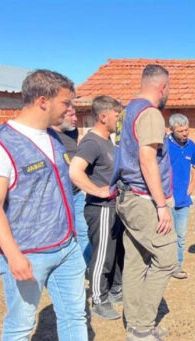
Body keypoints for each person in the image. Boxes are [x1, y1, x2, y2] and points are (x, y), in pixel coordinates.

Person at [0, 69, 125, 341]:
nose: (70, 108)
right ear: (42, 100)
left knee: (75, 314)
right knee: (21, 322)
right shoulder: (0, 145)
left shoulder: (56, 139)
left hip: (66, 249)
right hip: (27, 255)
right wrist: (13, 254)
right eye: (65, 101)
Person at [110, 64, 177, 341]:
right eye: (169, 89)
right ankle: (143, 328)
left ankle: (135, 323)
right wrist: (161, 204)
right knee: (166, 258)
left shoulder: (129, 110)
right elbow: (148, 159)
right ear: (162, 87)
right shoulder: (150, 114)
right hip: (144, 199)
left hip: (128, 196)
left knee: (137, 260)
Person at [69, 95, 124, 320]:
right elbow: (75, 171)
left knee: (116, 251)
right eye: (116, 115)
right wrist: (97, 190)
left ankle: (114, 291)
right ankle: (99, 300)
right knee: (103, 253)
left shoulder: (108, 140)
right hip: (100, 208)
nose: (118, 119)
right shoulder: (92, 142)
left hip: (115, 206)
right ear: (103, 116)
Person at [52, 106, 91, 264]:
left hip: (75, 194)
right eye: (71, 115)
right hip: (58, 198)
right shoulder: (49, 137)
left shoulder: (70, 135)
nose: (75, 119)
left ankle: (88, 266)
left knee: (84, 231)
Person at [166, 113, 195, 279]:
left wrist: (192, 186)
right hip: (166, 199)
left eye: (187, 130)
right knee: (165, 236)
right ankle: (162, 266)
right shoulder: (164, 145)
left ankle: (177, 266)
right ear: (171, 130)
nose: (185, 133)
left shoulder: (191, 146)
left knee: (180, 236)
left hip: (184, 201)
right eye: (180, 131)